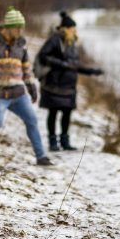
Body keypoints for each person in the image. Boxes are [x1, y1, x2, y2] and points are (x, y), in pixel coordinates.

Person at [0, 6, 52, 166]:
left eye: (21, 28)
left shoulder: (21, 46)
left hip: (18, 94)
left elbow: (26, 70)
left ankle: (41, 156)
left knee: (32, 120)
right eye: (17, 28)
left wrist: (32, 88)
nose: (20, 31)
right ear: (8, 27)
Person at [36, 11, 104, 152]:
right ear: (66, 28)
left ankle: (65, 142)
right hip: (54, 85)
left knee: (67, 114)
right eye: (72, 28)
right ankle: (53, 142)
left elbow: (75, 65)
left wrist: (92, 71)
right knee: (53, 113)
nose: (74, 30)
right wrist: (62, 64)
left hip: (69, 86)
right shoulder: (54, 39)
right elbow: (43, 56)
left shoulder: (72, 42)